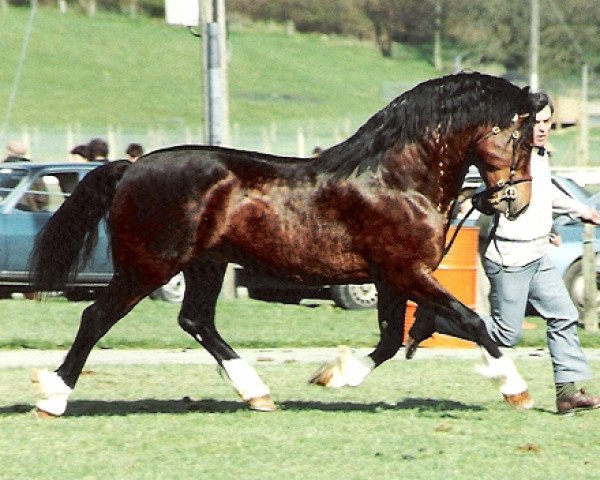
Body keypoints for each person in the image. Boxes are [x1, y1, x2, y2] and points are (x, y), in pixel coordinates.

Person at [410, 92, 600, 415]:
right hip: (510, 259)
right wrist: (486, 201)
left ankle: (567, 393)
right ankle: (437, 318)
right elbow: (490, 196)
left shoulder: (538, 155)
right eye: (536, 122)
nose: (542, 128)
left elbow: (545, 192)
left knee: (564, 315)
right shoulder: (507, 156)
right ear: (523, 123)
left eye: (546, 122)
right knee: (504, 334)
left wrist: (580, 211)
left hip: (537, 255)